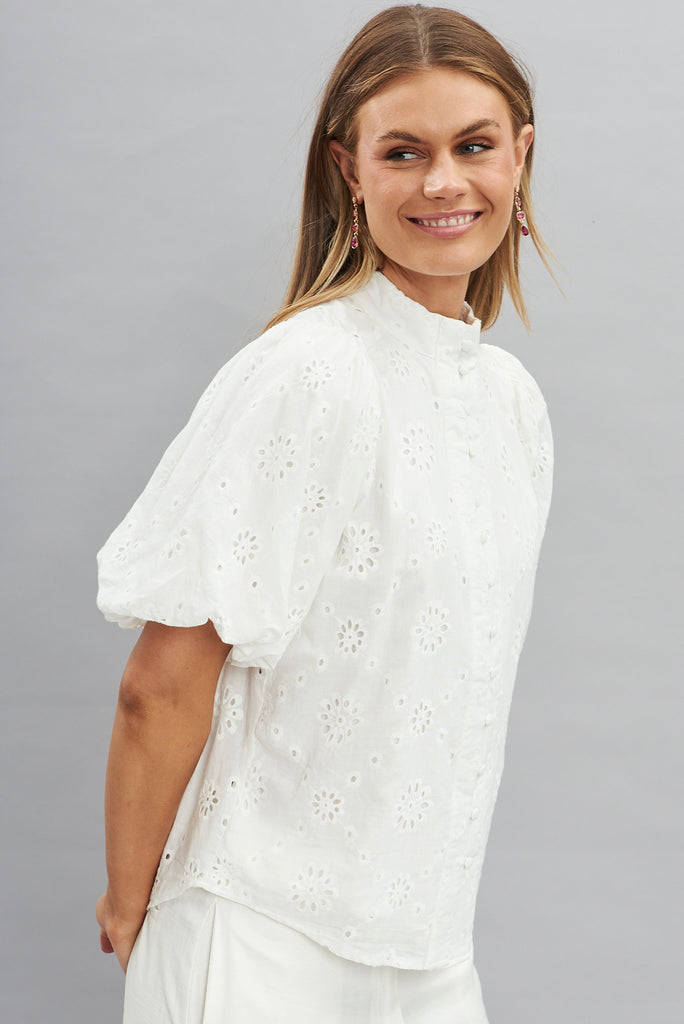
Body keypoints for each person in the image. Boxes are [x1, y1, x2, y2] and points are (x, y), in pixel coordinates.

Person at [95, 5, 554, 1022]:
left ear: (520, 157)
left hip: (429, 953)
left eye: (474, 146)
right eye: (404, 152)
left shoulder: (511, 406)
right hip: (260, 940)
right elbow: (160, 685)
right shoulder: (309, 371)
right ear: (350, 171)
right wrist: (132, 906)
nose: (443, 182)